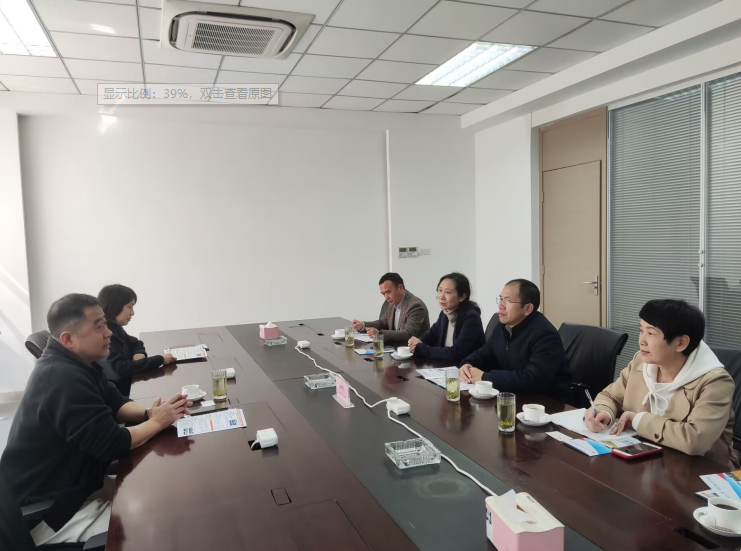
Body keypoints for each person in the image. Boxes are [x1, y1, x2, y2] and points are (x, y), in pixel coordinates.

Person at [0, 294, 191, 546]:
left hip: (80, 483)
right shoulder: (62, 379)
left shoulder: (79, 363)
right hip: (54, 510)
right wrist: (157, 423)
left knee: (168, 495)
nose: (108, 333)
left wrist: (149, 414)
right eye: (99, 326)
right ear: (68, 339)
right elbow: (113, 443)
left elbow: (115, 401)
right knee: (155, 526)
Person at [585, 299, 740, 468]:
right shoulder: (641, 362)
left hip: (701, 473)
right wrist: (603, 411)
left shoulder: (715, 382)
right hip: (646, 464)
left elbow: (695, 440)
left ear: (681, 343)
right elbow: (610, 396)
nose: (641, 340)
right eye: (641, 330)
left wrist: (638, 420)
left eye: (651, 334)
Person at [459, 279, 571, 401]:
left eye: (508, 300)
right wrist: (467, 364)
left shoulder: (545, 334)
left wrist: (485, 377)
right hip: (511, 395)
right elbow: (485, 353)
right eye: (500, 299)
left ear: (528, 308)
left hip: (545, 403)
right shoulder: (503, 327)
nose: (500, 305)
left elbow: (534, 379)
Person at [98, 284, 175, 379]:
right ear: (115, 306)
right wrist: (160, 359)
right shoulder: (106, 335)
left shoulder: (116, 327)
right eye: (130, 307)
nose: (132, 313)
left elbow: (135, 342)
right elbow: (122, 369)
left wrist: (139, 353)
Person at [408, 272, 485, 364]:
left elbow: (456, 353)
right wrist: (415, 342)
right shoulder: (444, 314)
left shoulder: (471, 318)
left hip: (467, 368)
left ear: (462, 297)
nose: (441, 296)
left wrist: (421, 347)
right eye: (440, 290)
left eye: (447, 292)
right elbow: (430, 335)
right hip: (447, 366)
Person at [351, 273, 430, 342]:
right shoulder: (393, 302)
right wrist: (363, 325)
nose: (386, 297)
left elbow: (408, 334)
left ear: (400, 288)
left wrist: (380, 334)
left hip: (413, 352)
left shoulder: (415, 306)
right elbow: (382, 323)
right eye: (383, 294)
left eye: (388, 292)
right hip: (395, 348)